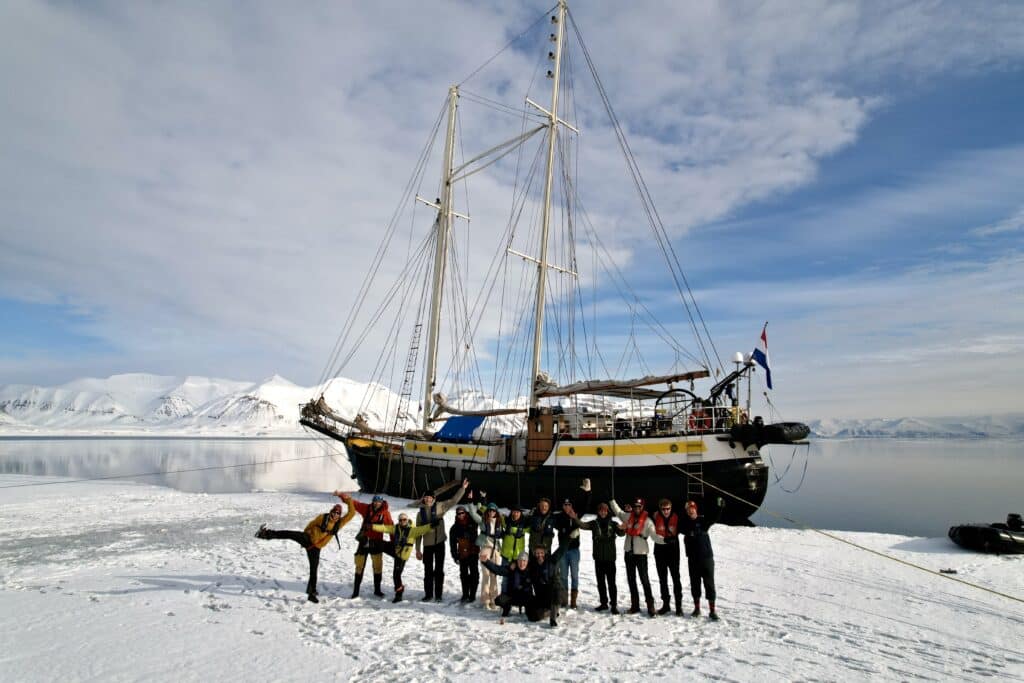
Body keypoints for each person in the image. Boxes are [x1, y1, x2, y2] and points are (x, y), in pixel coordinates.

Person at [254, 496, 355, 603]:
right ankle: (265, 534)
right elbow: (311, 525)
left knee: (314, 570)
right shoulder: (322, 517)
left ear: (340, 515)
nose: (335, 514)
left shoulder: (339, 524)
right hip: (307, 538)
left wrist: (348, 500)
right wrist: (307, 534)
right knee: (289, 534)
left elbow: (351, 513)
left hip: (316, 548)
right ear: (331, 511)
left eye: (338, 513)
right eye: (334, 512)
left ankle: (311, 593)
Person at [413, 478, 469, 602]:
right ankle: (428, 594)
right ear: (423, 499)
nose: (428, 499)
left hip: (439, 544)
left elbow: (454, 501)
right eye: (426, 497)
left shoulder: (440, 507)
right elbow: (417, 533)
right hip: (427, 546)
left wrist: (462, 489)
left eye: (430, 497)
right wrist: (417, 549)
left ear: (433, 498)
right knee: (428, 571)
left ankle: (438, 595)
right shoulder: (419, 514)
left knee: (439, 570)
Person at [569, 501, 624, 614]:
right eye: (601, 510)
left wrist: (622, 528)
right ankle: (604, 603)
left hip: (610, 559)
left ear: (607, 511)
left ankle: (613, 605)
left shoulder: (613, 524)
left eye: (605, 510)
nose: (603, 512)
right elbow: (583, 525)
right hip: (598, 559)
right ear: (598, 512)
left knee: (611, 583)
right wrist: (575, 518)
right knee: (601, 582)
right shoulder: (594, 523)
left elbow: (621, 534)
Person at [339, 492, 393, 598]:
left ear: (382, 503)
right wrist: (343, 497)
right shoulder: (367, 508)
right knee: (359, 566)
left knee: (377, 566)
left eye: (379, 502)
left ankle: (377, 590)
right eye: (375, 501)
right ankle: (356, 592)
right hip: (364, 541)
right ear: (372, 502)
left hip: (377, 542)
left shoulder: (385, 513)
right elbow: (354, 503)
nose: (377, 503)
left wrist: (393, 542)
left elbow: (390, 527)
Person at [610, 497, 657, 616]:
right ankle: (635, 605)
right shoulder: (628, 517)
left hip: (641, 554)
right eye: (635, 506)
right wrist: (611, 500)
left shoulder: (648, 521)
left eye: (639, 506)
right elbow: (618, 512)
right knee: (631, 580)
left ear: (642, 507)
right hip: (629, 553)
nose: (637, 508)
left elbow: (655, 536)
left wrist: (665, 540)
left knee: (644, 580)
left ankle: (650, 605)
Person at [372, 512, 434, 602]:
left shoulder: (412, 530)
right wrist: (372, 527)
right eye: (400, 520)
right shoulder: (396, 528)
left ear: (407, 520)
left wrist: (432, 525)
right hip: (395, 549)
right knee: (379, 543)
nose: (402, 521)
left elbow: (423, 529)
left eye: (404, 520)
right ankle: (368, 547)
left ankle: (399, 594)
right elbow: (385, 528)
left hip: (401, 556)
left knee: (396, 575)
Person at [680, 497, 725, 620]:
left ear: (696, 510)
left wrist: (719, 507)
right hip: (693, 560)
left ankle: (712, 611)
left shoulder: (703, 521)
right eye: (688, 509)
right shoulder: (684, 524)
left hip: (706, 558)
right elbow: (677, 526)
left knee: (709, 584)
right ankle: (697, 608)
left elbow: (715, 517)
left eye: (692, 509)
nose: (691, 511)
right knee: (695, 584)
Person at [551, 479, 591, 608]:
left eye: (569, 505)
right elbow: (550, 519)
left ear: (571, 506)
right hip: (563, 550)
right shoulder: (559, 517)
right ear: (563, 506)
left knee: (574, 575)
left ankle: (573, 601)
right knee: (563, 576)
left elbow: (586, 505)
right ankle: (564, 599)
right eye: (565, 505)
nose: (567, 507)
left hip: (574, 550)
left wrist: (587, 492)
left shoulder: (576, 515)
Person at [467, 499, 504, 609]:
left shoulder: (499, 522)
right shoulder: (483, 521)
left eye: (493, 511)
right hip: (485, 550)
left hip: (496, 550)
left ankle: (494, 600)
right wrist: (470, 501)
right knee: (486, 575)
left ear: (496, 512)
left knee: (494, 575)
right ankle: (485, 600)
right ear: (487, 511)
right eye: (490, 511)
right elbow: (473, 513)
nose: (491, 512)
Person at [652, 498, 684, 615]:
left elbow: (686, 525)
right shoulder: (655, 517)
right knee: (663, 579)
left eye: (668, 509)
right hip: (660, 551)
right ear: (660, 509)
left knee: (676, 579)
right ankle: (666, 605)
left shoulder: (677, 517)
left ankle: (679, 606)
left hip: (673, 552)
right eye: (663, 509)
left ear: (671, 508)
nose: (666, 511)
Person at [448, 505, 479, 604]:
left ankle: (472, 595)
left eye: (462, 513)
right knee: (464, 575)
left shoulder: (473, 521)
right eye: (458, 514)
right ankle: (465, 594)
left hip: (473, 552)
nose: (461, 515)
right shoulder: (454, 527)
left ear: (466, 513)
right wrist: (454, 556)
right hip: (462, 554)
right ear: (456, 515)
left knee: (474, 574)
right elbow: (452, 543)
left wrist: (482, 500)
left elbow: (480, 514)